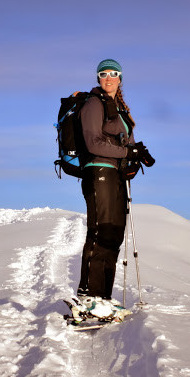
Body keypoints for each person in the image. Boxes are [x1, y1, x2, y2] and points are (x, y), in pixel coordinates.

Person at [76, 59, 155, 308]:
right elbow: (93, 143)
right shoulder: (93, 103)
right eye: (103, 74)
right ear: (98, 78)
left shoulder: (119, 108)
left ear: (120, 78)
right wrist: (126, 154)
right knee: (100, 232)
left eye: (113, 74)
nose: (108, 78)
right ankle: (88, 295)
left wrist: (134, 156)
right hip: (98, 171)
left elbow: (123, 145)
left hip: (116, 176)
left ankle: (103, 298)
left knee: (113, 233)